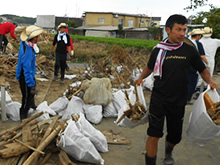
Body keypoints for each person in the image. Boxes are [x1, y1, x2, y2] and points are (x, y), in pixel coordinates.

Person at [135, 14, 218, 165]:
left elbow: (202, 69)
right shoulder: (158, 50)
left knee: (175, 137)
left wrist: (210, 81)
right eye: (178, 29)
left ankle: (169, 151)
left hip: (179, 99)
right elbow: (150, 67)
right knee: (154, 135)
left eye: (184, 30)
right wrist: (140, 78)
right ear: (168, 30)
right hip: (159, 98)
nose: (182, 34)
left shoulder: (189, 50)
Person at [16, 25, 44, 120]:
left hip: (29, 74)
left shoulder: (26, 44)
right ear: (34, 38)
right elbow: (26, 68)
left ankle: (32, 106)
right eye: (38, 36)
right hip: (25, 75)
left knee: (31, 95)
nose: (39, 37)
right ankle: (23, 115)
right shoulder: (28, 50)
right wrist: (31, 83)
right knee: (27, 97)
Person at [187, 28, 209, 103]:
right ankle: (188, 98)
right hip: (193, 66)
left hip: (185, 65)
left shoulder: (187, 42)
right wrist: (207, 64)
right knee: (192, 81)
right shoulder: (198, 44)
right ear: (198, 36)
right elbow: (202, 56)